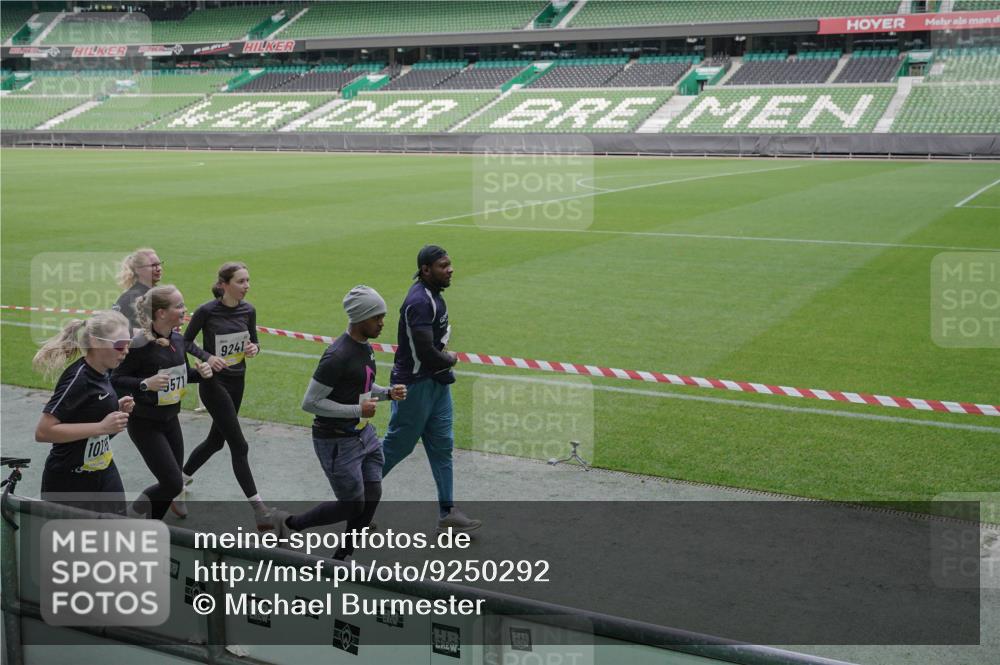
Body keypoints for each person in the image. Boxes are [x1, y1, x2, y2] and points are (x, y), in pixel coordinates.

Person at [269, 286, 406, 560]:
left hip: (362, 435)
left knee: (372, 494)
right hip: (335, 442)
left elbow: (362, 385)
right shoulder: (337, 356)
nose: (382, 323)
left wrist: (386, 393)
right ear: (359, 318)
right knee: (352, 507)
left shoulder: (364, 347)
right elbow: (310, 403)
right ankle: (288, 524)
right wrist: (358, 408)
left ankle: (341, 559)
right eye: (376, 317)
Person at [381, 246, 480, 533]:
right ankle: (354, 498)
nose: (450, 269)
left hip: (436, 384)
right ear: (426, 269)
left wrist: (444, 363)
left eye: (450, 264)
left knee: (442, 447)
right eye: (443, 265)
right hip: (415, 386)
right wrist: (450, 359)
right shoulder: (419, 302)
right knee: (397, 447)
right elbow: (425, 351)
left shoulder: (433, 297)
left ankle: (448, 512)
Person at [178, 262, 270, 528]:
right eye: (241, 281)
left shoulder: (249, 310)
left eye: (248, 281)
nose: (247, 286)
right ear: (223, 285)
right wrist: (207, 357)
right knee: (239, 445)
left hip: (237, 382)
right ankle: (259, 509)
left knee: (215, 442)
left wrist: (254, 349)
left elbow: (254, 342)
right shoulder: (207, 311)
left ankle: (178, 483)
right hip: (213, 384)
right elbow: (184, 341)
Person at [111, 285, 214, 521]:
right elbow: (116, 378)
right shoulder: (138, 344)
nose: (184, 309)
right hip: (145, 423)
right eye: (178, 306)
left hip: (170, 420)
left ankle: (149, 525)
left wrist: (202, 373)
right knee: (171, 483)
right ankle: (133, 514)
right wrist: (145, 383)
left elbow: (182, 373)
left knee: (174, 486)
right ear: (161, 313)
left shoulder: (178, 339)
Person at [32, 311, 135, 515]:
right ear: (96, 342)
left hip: (103, 470)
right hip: (70, 480)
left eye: (129, 344)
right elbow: (43, 432)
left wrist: (115, 416)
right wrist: (101, 426)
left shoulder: (105, 372)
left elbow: (93, 431)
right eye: (119, 344)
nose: (125, 351)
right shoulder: (78, 380)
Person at [113, 248, 162, 333]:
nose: (159, 268)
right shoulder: (136, 298)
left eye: (159, 264)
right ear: (138, 270)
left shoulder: (150, 293)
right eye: (153, 265)